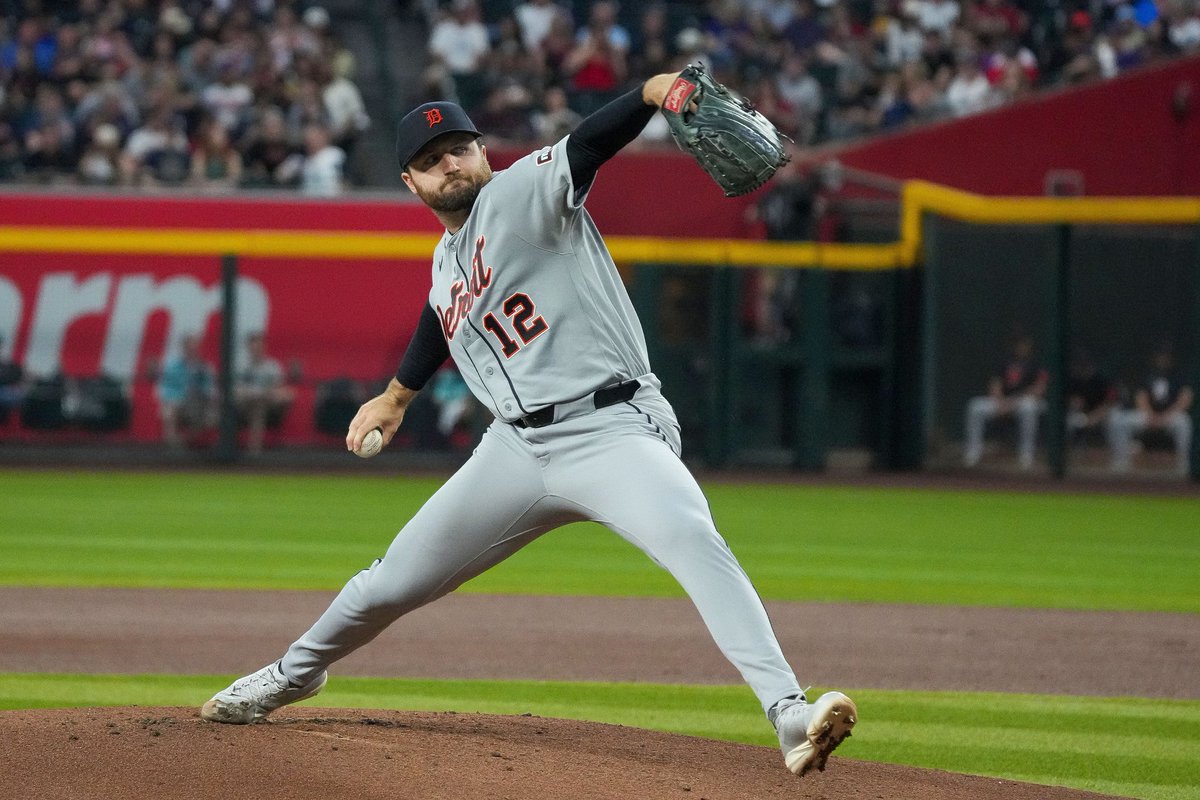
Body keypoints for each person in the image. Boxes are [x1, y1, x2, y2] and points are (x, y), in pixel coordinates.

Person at [201, 72, 858, 779]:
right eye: (432, 159)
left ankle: (788, 710)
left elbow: (588, 145)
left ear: (484, 153)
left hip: (612, 429)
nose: (451, 163)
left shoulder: (524, 191)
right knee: (388, 583)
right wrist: (397, 396)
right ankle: (292, 675)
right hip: (515, 448)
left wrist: (649, 93)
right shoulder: (446, 258)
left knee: (691, 538)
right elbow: (439, 314)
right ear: (412, 184)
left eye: (459, 147)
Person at [963, 333, 1048, 469]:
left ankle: (1026, 455)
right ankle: (973, 453)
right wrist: (1001, 402)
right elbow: (995, 383)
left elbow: (1040, 389)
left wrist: (1014, 402)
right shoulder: (1005, 361)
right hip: (1003, 402)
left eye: (1025, 344)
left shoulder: (1036, 363)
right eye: (1019, 344)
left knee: (1029, 407)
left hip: (1025, 401)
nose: (1022, 347)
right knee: (975, 406)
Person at [1108, 344, 1193, 476]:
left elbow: (1185, 399)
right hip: (1147, 415)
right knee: (1118, 421)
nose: (1163, 359)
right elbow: (1140, 397)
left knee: (1184, 422)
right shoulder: (1147, 374)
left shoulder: (1179, 376)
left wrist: (1165, 416)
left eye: (1166, 356)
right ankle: (1121, 463)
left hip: (1171, 416)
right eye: (1160, 356)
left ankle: (1184, 465)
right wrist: (1151, 415)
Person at [233, 331, 293, 454]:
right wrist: (257, 393)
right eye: (254, 346)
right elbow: (236, 390)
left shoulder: (272, 367)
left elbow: (279, 391)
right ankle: (245, 450)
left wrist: (264, 394)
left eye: (259, 346)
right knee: (252, 404)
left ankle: (254, 451)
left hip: (269, 407)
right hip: (243, 406)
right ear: (249, 348)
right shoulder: (241, 367)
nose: (257, 350)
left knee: (259, 407)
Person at [155, 333, 217, 448]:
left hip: (199, 404)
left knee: (211, 413)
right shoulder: (172, 367)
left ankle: (187, 444)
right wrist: (181, 396)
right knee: (171, 409)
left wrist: (201, 393)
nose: (192, 350)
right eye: (190, 347)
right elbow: (165, 389)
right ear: (184, 348)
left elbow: (211, 388)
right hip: (177, 402)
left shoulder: (205, 367)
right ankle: (172, 447)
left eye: (195, 347)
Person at [1065, 349, 1117, 443]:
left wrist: (1095, 417)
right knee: (1069, 421)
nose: (1082, 367)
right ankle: (1070, 449)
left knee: (1115, 419)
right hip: (1082, 416)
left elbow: (1111, 403)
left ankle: (1116, 455)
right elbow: (1073, 401)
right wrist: (1074, 404)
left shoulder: (1102, 380)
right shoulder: (1074, 380)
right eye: (1079, 364)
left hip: (1102, 415)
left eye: (1085, 364)